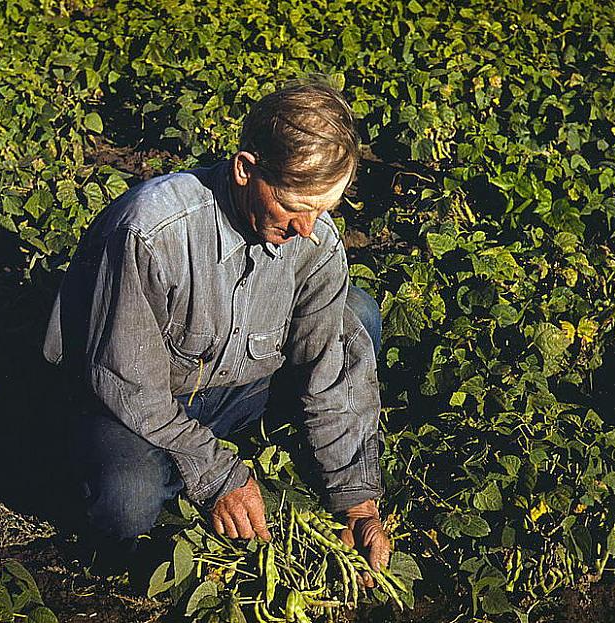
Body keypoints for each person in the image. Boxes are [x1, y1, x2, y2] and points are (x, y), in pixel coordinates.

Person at [42, 81, 390, 585]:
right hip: (129, 397)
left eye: (324, 209)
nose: (307, 228)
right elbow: (127, 385)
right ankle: (133, 481)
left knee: (356, 316)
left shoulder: (315, 241)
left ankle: (208, 469)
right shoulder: (151, 232)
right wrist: (215, 475)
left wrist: (357, 502)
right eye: (296, 205)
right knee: (128, 508)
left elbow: (328, 372)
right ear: (245, 169)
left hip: (233, 387)